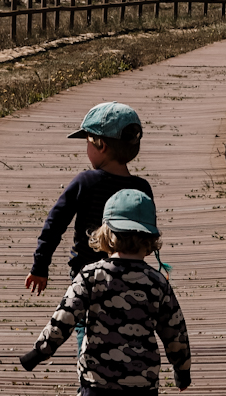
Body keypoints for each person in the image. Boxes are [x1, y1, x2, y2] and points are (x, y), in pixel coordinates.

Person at [17, 189, 191, 396]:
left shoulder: (91, 275)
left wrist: (39, 352)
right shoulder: (157, 282)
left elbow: (65, 317)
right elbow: (174, 330)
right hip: (141, 382)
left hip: (97, 375)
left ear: (106, 235)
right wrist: (182, 369)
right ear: (151, 240)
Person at [25, 101, 151, 296]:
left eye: (87, 142)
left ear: (101, 146)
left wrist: (40, 266)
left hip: (86, 279)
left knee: (86, 322)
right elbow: (148, 237)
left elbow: (55, 222)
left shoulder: (86, 182)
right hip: (132, 278)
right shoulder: (142, 189)